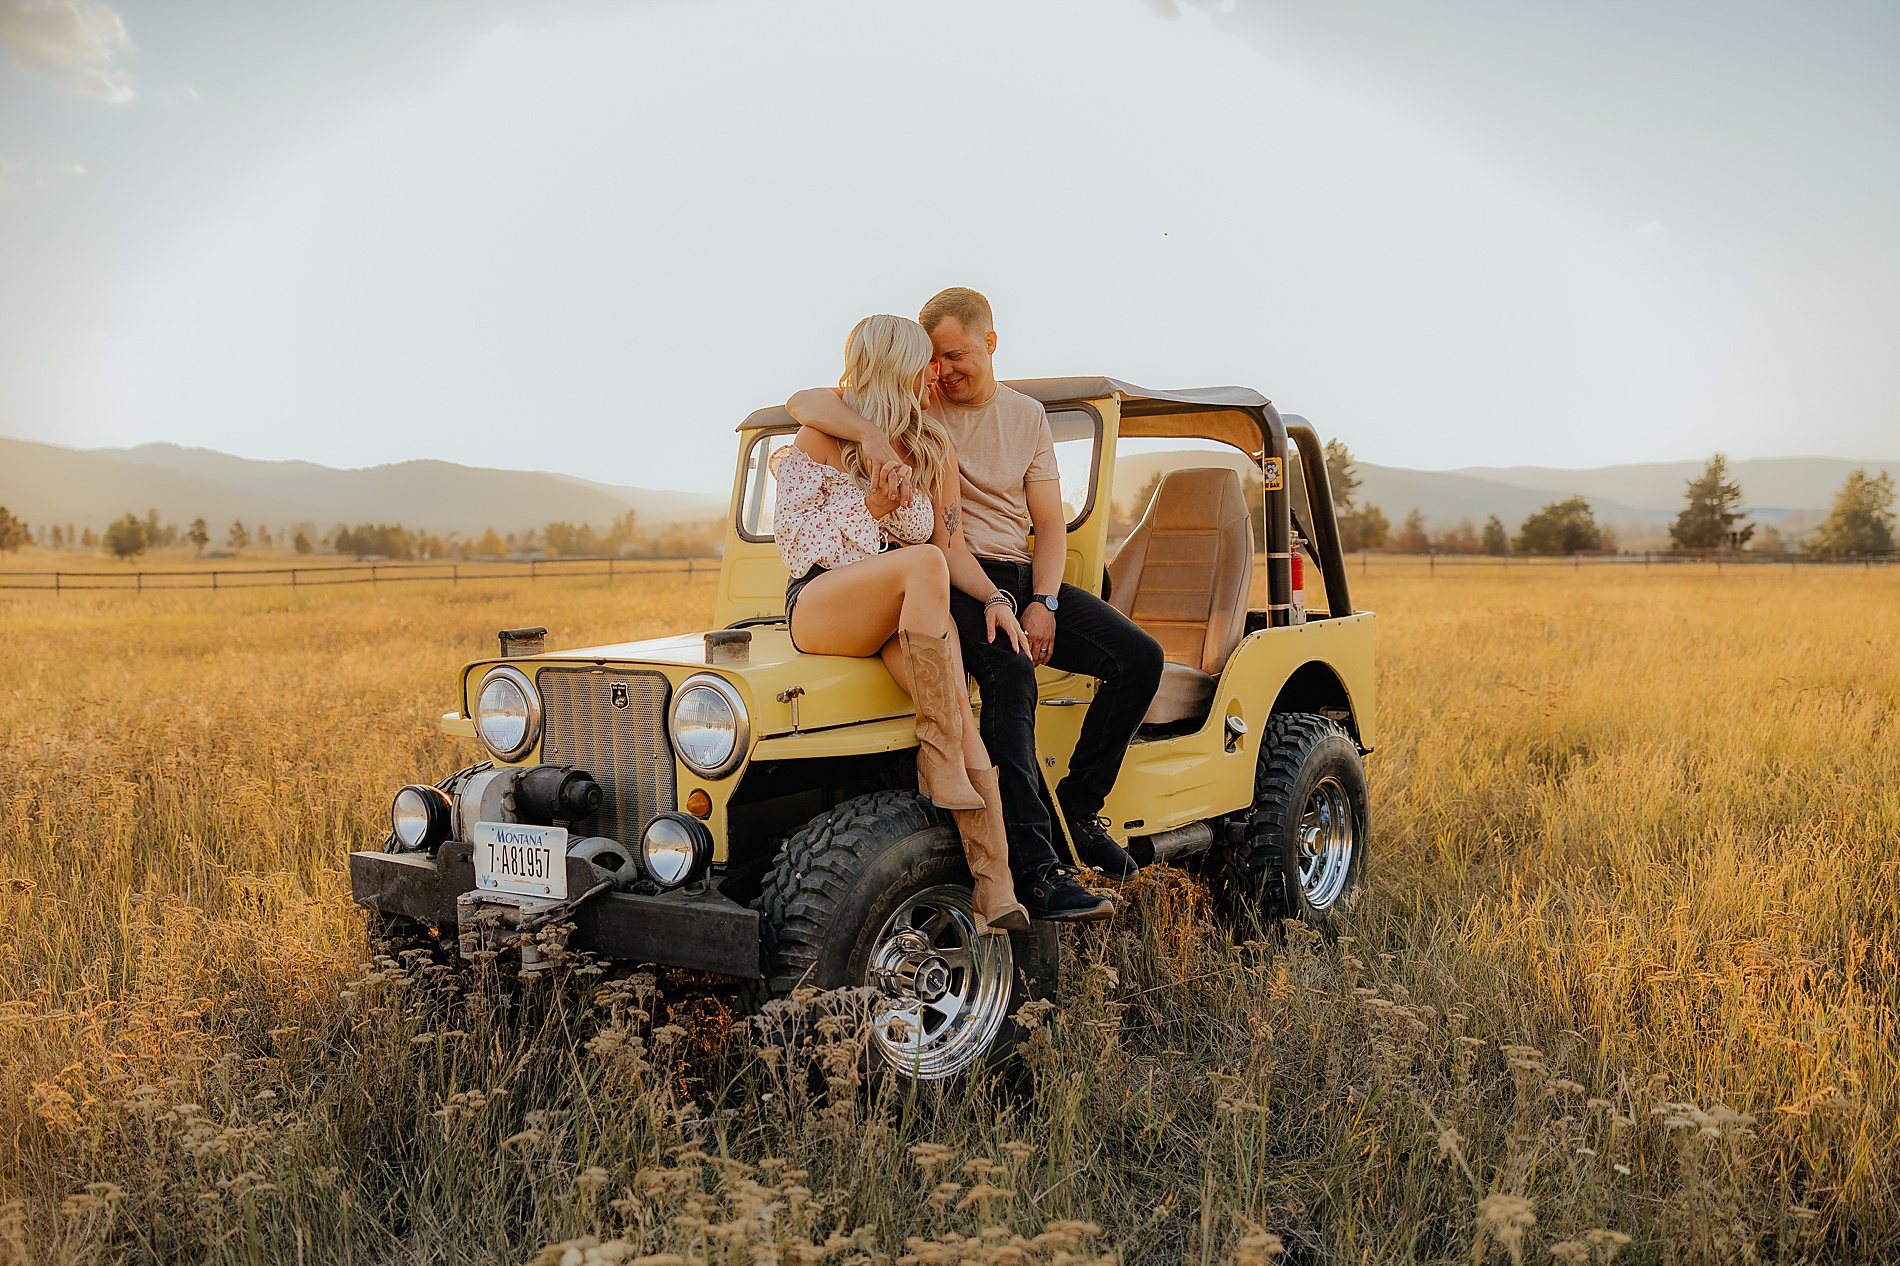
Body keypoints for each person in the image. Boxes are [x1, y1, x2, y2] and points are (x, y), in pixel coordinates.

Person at [788, 288, 1160, 920]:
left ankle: (1076, 812)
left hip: (995, 577)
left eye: (954, 356)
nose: (940, 372)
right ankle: (1034, 868)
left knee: (1139, 659)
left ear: (990, 344)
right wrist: (874, 440)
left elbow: (1046, 524)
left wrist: (1035, 600)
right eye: (929, 360)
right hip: (935, 578)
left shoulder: (1013, 419)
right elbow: (814, 403)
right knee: (1008, 671)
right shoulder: (903, 411)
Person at [771, 314, 1032, 934]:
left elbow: (949, 545)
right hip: (822, 604)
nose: (934, 375)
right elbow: (796, 544)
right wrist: (873, 508)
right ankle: (937, 760)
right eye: (925, 364)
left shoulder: (931, 447)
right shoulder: (819, 438)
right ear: (898, 368)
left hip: (897, 612)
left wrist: (997, 597)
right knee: (920, 566)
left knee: (958, 712)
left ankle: (996, 889)